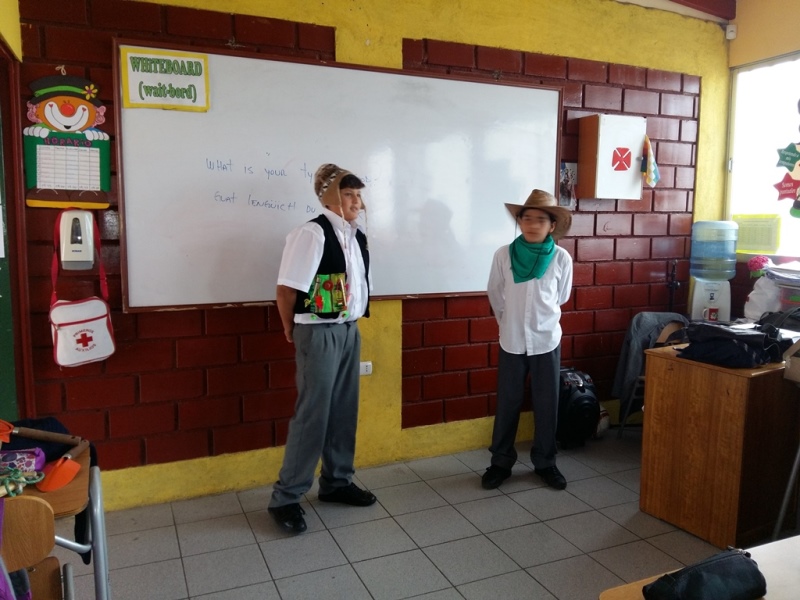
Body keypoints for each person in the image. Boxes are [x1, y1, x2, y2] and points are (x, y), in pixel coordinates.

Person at [268, 163, 376, 533]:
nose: (356, 202)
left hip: (348, 330)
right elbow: (287, 290)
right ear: (330, 197)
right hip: (318, 332)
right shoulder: (312, 233)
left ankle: (337, 482)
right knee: (313, 414)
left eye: (358, 195)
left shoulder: (356, 236)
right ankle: (286, 498)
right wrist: (291, 328)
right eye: (348, 194)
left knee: (344, 410)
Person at [482, 189, 573, 491]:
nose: (533, 225)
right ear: (519, 222)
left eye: (541, 220)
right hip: (511, 339)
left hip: (546, 339)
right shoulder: (503, 255)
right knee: (508, 401)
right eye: (527, 218)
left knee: (547, 403)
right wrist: (508, 322)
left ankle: (546, 462)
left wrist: (537, 321)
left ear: (552, 226)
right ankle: (500, 462)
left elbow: (561, 297)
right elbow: (496, 294)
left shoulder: (561, 258)